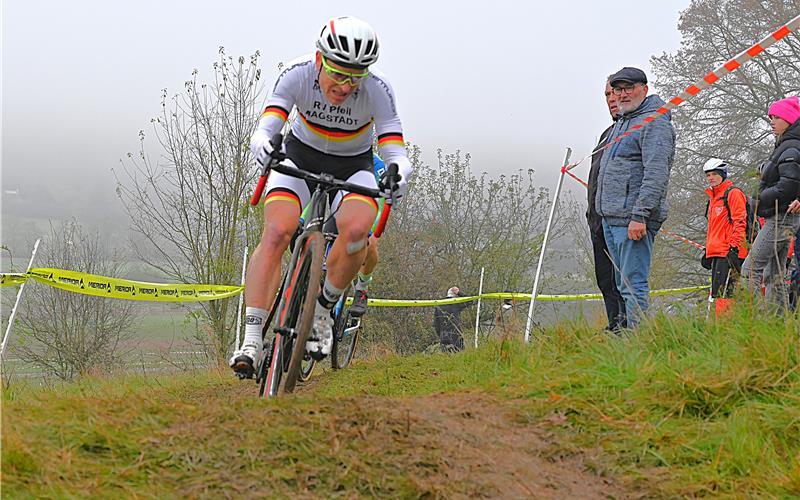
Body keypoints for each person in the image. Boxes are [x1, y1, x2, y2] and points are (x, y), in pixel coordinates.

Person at [230, 16, 412, 375]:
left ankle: (323, 311)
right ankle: (251, 339)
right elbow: (266, 126)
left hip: (353, 165)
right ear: (319, 60)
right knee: (277, 232)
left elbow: (395, 149)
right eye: (338, 73)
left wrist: (399, 174)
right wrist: (262, 145)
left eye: (355, 77)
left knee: (357, 232)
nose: (345, 86)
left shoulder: (378, 89)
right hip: (300, 155)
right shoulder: (297, 74)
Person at [595, 67, 676, 328]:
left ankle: (640, 340)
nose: (622, 94)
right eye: (618, 89)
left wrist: (640, 215)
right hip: (611, 217)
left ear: (644, 89)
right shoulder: (623, 122)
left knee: (633, 285)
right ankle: (628, 336)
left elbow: (656, 173)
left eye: (629, 88)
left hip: (632, 220)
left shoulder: (654, 122)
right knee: (622, 285)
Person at [741, 96, 800, 311]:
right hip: (786, 217)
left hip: (780, 217)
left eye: (776, 117)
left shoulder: (791, 148)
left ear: (789, 119)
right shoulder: (786, 145)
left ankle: (753, 320)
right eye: (770, 118)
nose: (772, 122)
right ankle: (778, 322)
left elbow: (787, 186)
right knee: (775, 274)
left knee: (750, 270)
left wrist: (758, 198)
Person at [587, 78, 626, 331]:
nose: (612, 99)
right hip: (597, 220)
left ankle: (630, 327)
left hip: (620, 218)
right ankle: (615, 326)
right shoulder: (606, 135)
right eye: (607, 95)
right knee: (605, 279)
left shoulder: (635, 129)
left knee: (625, 280)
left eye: (615, 93)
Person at [701, 158, 749, 316]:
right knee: (717, 295)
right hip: (716, 252)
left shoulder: (733, 193)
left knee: (726, 295)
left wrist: (734, 249)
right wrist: (708, 251)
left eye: (714, 174)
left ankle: (725, 326)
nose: (711, 178)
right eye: (708, 175)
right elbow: (714, 229)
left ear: (723, 174)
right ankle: (718, 325)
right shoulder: (713, 198)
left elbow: (740, 222)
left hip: (729, 252)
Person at [348, 153, 391, 317]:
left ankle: (362, 288)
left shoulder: (375, 163)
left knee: (371, 243)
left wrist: (370, 230)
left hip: (369, 208)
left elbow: (382, 202)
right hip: (341, 207)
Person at [433, 286, 470, 353]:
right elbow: (470, 300)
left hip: (444, 336)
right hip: (456, 334)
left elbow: (436, 323)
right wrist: (459, 293)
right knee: (460, 354)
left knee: (446, 356)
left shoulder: (439, 304)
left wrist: (440, 335)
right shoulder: (455, 303)